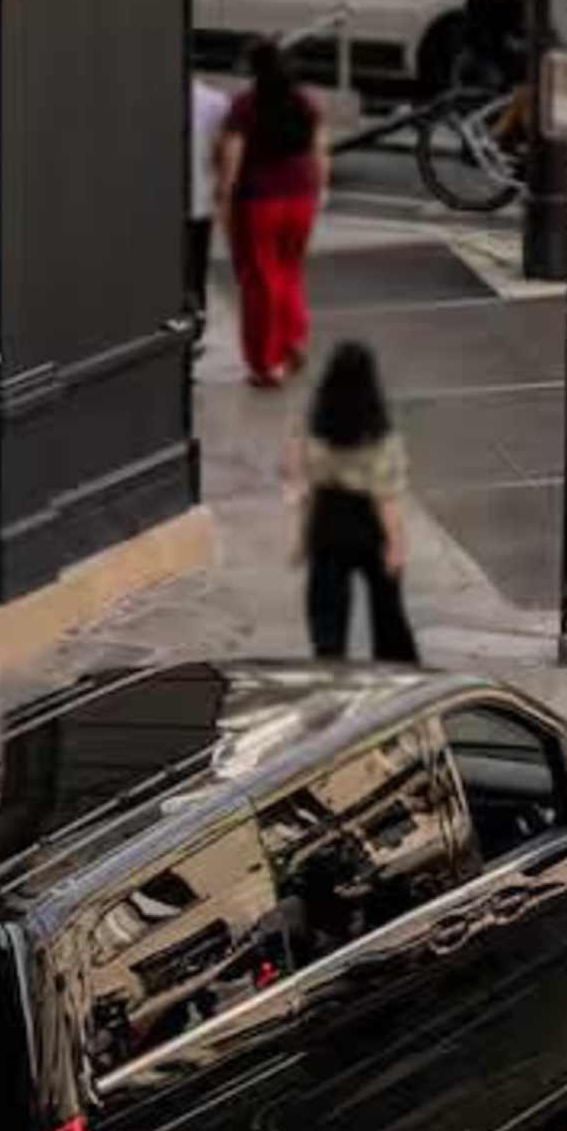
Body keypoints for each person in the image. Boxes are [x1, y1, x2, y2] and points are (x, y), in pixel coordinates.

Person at [294, 340, 419, 668]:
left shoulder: (319, 429)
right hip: (368, 521)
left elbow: (308, 484)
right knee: (387, 611)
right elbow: (385, 496)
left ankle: (331, 669)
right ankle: (396, 671)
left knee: (327, 612)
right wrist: (395, 543)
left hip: (329, 515)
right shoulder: (378, 434)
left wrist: (304, 537)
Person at [215, 38, 327, 390]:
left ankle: (266, 362)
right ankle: (292, 340)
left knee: (260, 279)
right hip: (301, 196)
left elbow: (232, 157)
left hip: (259, 200)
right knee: (290, 270)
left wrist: (224, 198)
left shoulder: (245, 106)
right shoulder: (306, 104)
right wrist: (319, 191)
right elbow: (320, 153)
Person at [185, 55, 234, 341]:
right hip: (200, 198)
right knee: (196, 268)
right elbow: (222, 152)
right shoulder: (216, 101)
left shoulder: (155, 97)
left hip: (163, 203)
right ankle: (197, 324)